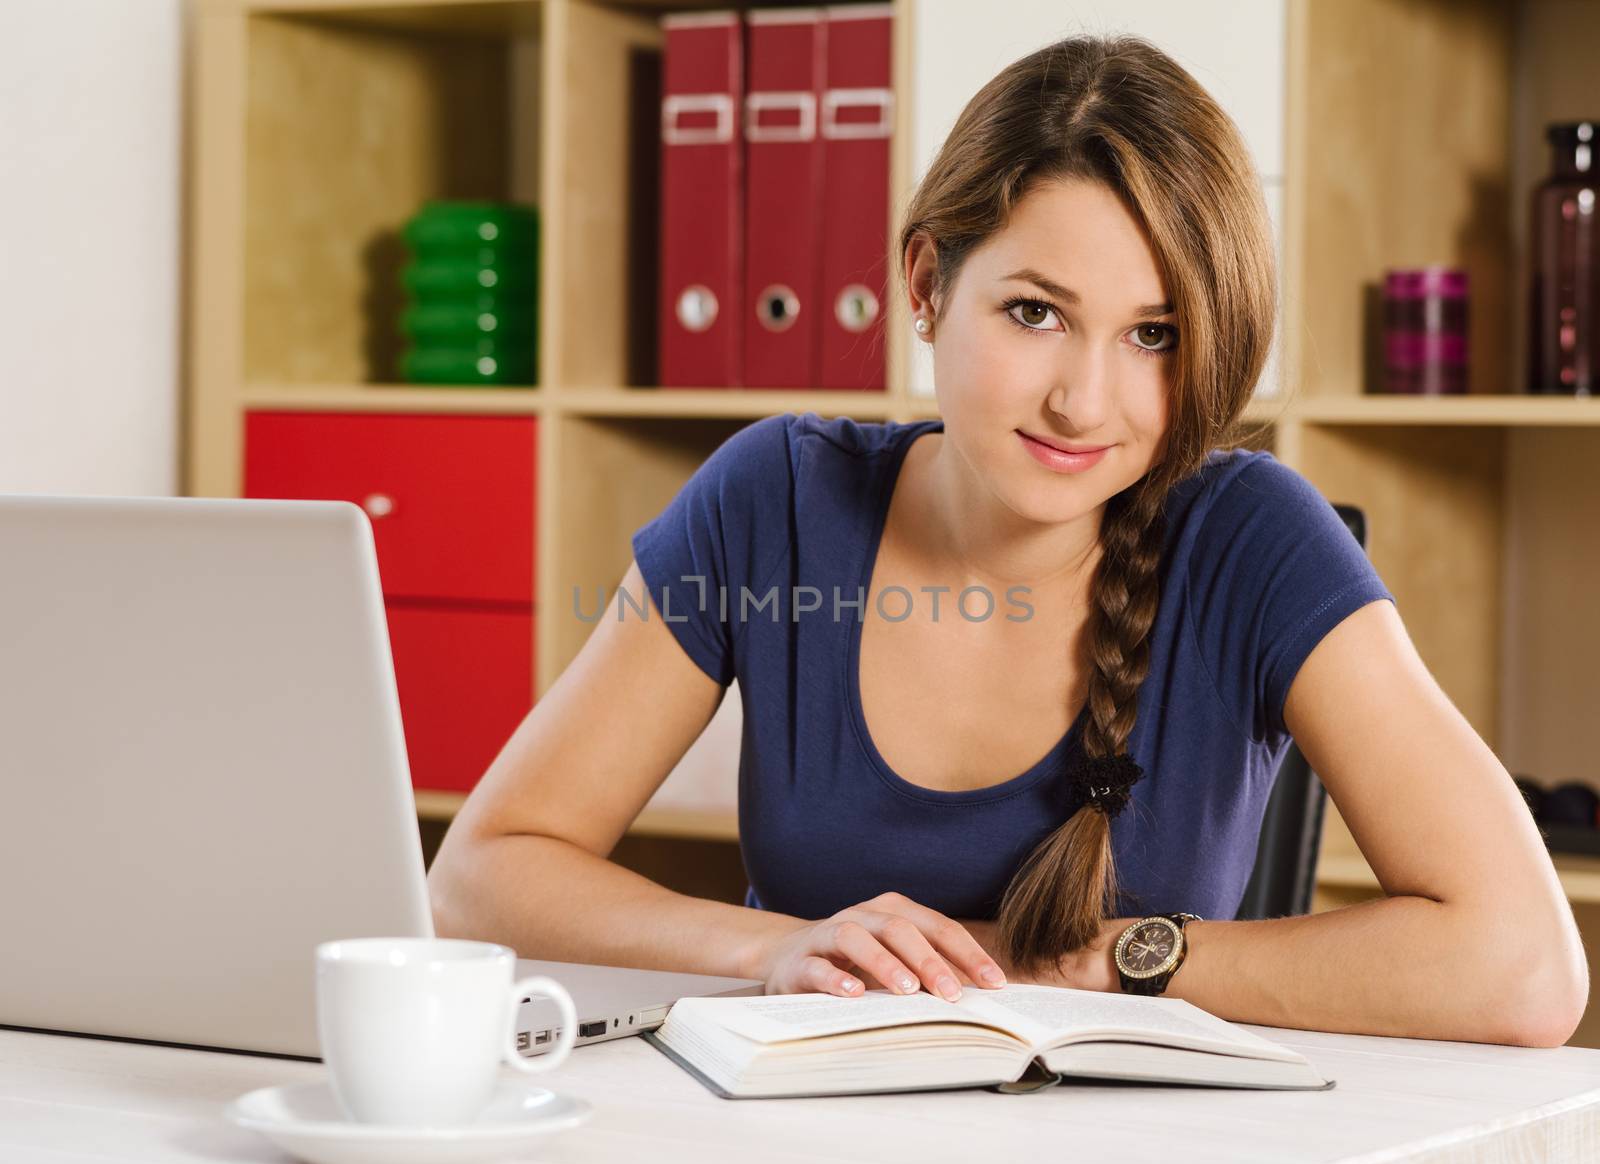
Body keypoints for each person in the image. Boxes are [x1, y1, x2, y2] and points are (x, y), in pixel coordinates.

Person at [428, 35, 1587, 1046]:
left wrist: (1088, 960)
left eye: (1153, 333)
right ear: (927, 281)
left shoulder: (1253, 539)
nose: (1086, 400)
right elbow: (479, 878)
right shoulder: (772, 498)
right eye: (1035, 312)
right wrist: (773, 951)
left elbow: (1524, 968)